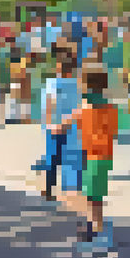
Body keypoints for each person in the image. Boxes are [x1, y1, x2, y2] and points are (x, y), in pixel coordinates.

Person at [58, 67, 119, 250]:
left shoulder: (89, 107)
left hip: (95, 155)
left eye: (82, 83)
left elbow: (70, 120)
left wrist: (58, 126)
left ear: (89, 86)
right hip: (101, 155)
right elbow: (113, 130)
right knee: (93, 194)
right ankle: (94, 228)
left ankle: (99, 233)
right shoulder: (107, 107)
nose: (80, 86)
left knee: (93, 196)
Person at [36, 40, 83, 203]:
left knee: (53, 159)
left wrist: (49, 124)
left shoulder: (53, 83)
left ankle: (49, 189)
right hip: (71, 128)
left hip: (55, 128)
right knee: (71, 159)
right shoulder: (77, 85)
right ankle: (72, 191)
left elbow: (48, 105)